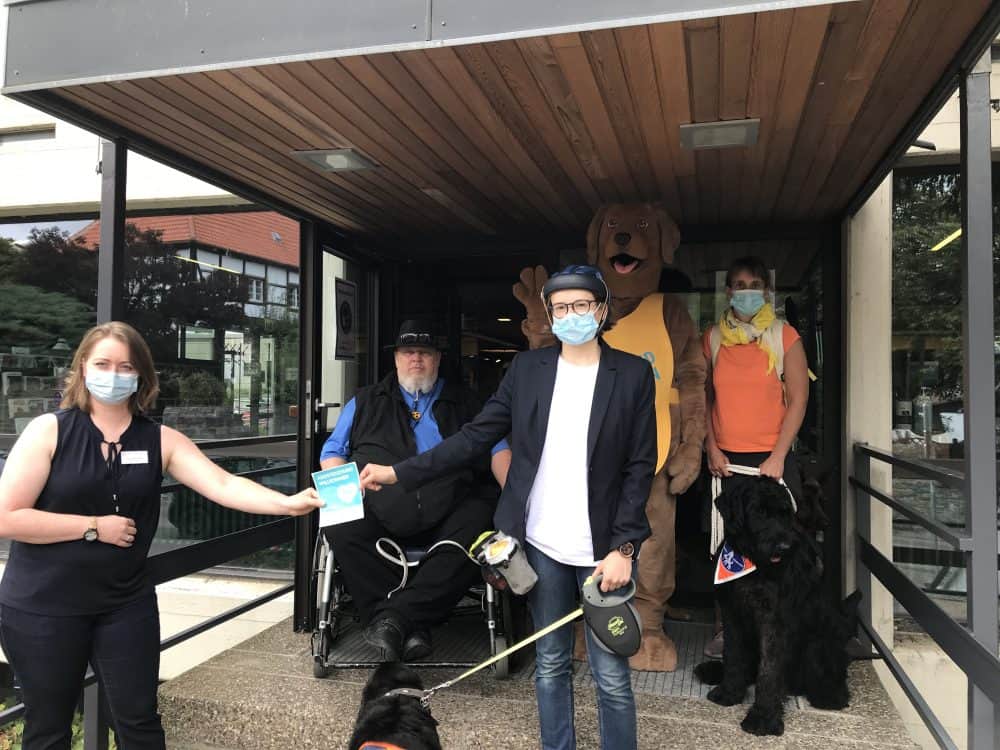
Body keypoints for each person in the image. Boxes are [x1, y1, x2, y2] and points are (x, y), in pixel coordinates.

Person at [361, 266, 656, 750]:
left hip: (604, 550)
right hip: (541, 543)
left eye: (581, 305)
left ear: (601, 311)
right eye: (560, 307)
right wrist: (398, 473)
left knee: (612, 676)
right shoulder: (527, 370)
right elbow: (476, 436)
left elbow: (639, 466)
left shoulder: (632, 374)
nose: (570, 315)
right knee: (551, 664)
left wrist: (625, 546)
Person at [0, 322, 322, 749]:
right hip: (43, 607)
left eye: (125, 366)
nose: (113, 374)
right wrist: (93, 526)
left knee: (140, 725)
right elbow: (6, 517)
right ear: (82, 368)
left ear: (141, 376)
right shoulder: (49, 431)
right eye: (102, 364)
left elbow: (222, 484)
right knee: (48, 729)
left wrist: (288, 503)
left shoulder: (159, 439)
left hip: (124, 604)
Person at [319, 319, 511, 662]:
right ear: (395, 359)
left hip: (450, 513)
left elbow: (498, 449)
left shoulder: (467, 403)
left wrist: (514, 494)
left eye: (424, 352)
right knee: (338, 521)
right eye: (408, 352)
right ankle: (412, 623)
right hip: (380, 512)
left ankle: (392, 619)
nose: (416, 360)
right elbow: (332, 452)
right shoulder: (363, 401)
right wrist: (345, 492)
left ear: (437, 359)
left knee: (482, 522)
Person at [702, 256, 809, 658]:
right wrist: (710, 447)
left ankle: (777, 636)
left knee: (777, 548)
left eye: (754, 284)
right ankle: (726, 632)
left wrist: (779, 455)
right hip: (724, 463)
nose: (746, 291)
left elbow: (799, 400)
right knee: (725, 548)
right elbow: (703, 400)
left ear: (766, 290)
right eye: (738, 284)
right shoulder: (712, 338)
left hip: (772, 463)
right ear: (728, 291)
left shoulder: (785, 336)